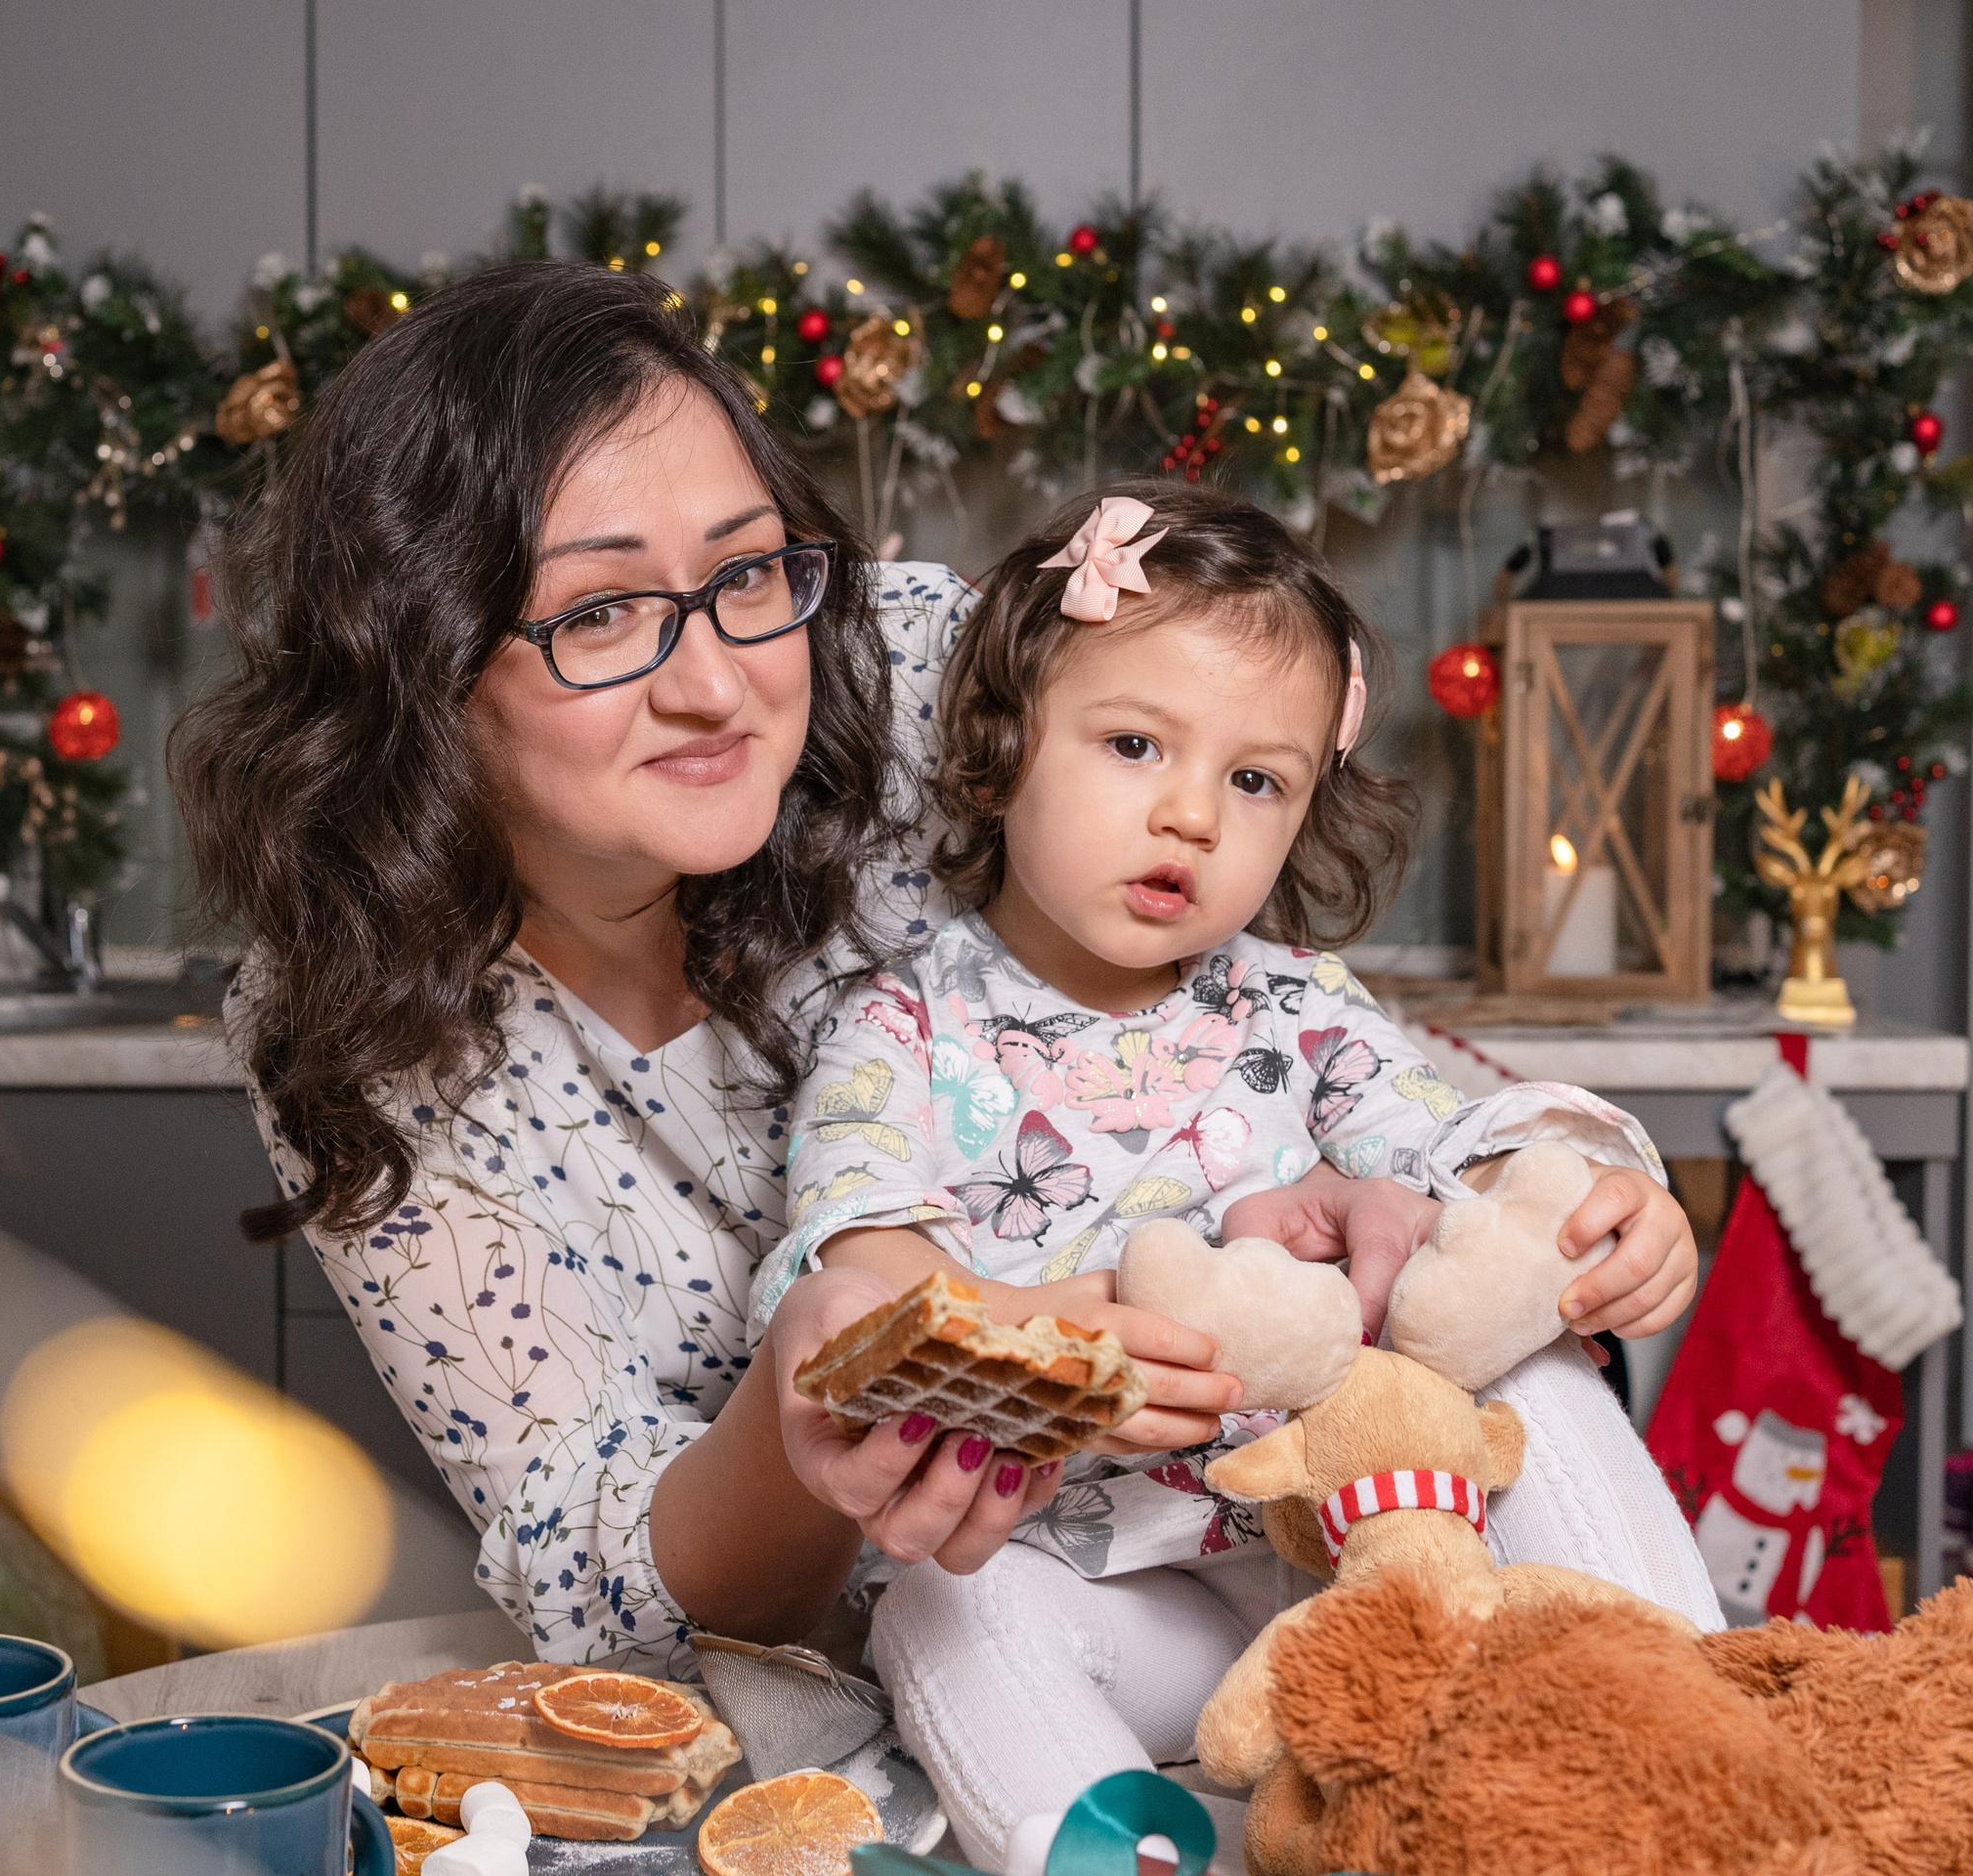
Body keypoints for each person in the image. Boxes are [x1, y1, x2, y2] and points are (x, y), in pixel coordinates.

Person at [172, 262, 1708, 1685]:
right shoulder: (350, 1028)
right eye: (601, 614)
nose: (719, 681)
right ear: (415, 661)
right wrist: (805, 1427)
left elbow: (1268, 1007)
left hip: (1282, 1507)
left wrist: (1420, 1198)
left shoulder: (919, 672)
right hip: (949, 1660)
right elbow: (592, 1578)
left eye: (748, 572)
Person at [753, 484, 1717, 1865]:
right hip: (1106, 1599)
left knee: (1538, 1374)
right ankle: (1110, 1846)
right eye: (1137, 744)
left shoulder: (1294, 1005)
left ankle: (1678, 1725)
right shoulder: (899, 1026)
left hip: (1343, 1566)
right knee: (942, 1607)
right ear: (999, 751)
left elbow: (1449, 1140)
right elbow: (863, 1261)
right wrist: (1067, 1325)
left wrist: (1590, 1196)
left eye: (1257, 779)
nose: (1193, 814)